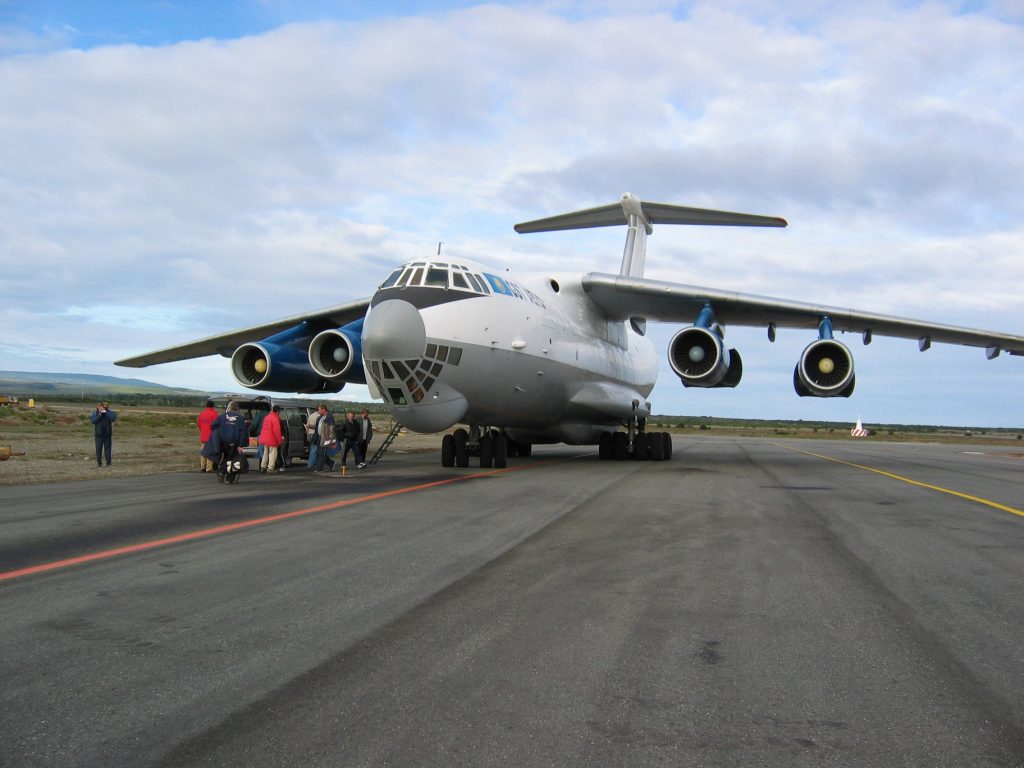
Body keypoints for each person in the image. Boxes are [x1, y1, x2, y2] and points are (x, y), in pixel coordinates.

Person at [207, 401, 248, 482]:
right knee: (234, 460)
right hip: (234, 442)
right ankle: (229, 479)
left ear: (229, 408)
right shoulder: (240, 418)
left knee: (226, 457)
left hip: (223, 442)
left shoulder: (222, 417)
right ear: (238, 409)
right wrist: (241, 445)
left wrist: (219, 433)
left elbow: (213, 426)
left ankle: (221, 471)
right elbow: (243, 432)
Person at [89, 400, 117, 467]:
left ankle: (108, 462)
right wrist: (99, 415)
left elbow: (113, 418)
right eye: (100, 406)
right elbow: (92, 421)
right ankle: (99, 463)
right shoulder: (95, 412)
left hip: (107, 434)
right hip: (98, 434)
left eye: (103, 406)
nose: (101, 408)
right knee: (98, 449)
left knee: (108, 449)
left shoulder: (109, 412)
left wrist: (105, 412)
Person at [258, 405, 283, 473]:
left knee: (265, 453)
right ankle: (270, 468)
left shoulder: (267, 417)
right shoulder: (275, 419)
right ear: (278, 411)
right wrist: (279, 441)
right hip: (272, 439)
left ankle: (263, 467)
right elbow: (277, 431)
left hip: (264, 438)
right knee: (273, 454)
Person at [312, 405, 336, 473]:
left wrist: (331, 437)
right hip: (319, 437)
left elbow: (331, 428)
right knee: (320, 453)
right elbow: (317, 428)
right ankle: (331, 463)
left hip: (326, 438)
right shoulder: (319, 418)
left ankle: (320, 468)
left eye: (319, 410)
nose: (318, 411)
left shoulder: (329, 417)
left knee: (321, 453)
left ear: (324, 409)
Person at [197, 400, 218, 472]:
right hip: (211, 436)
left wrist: (203, 430)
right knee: (210, 452)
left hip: (203, 435)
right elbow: (216, 425)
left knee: (203, 452)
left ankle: (203, 466)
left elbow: (199, 424)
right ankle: (209, 468)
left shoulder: (202, 414)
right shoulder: (214, 414)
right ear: (213, 406)